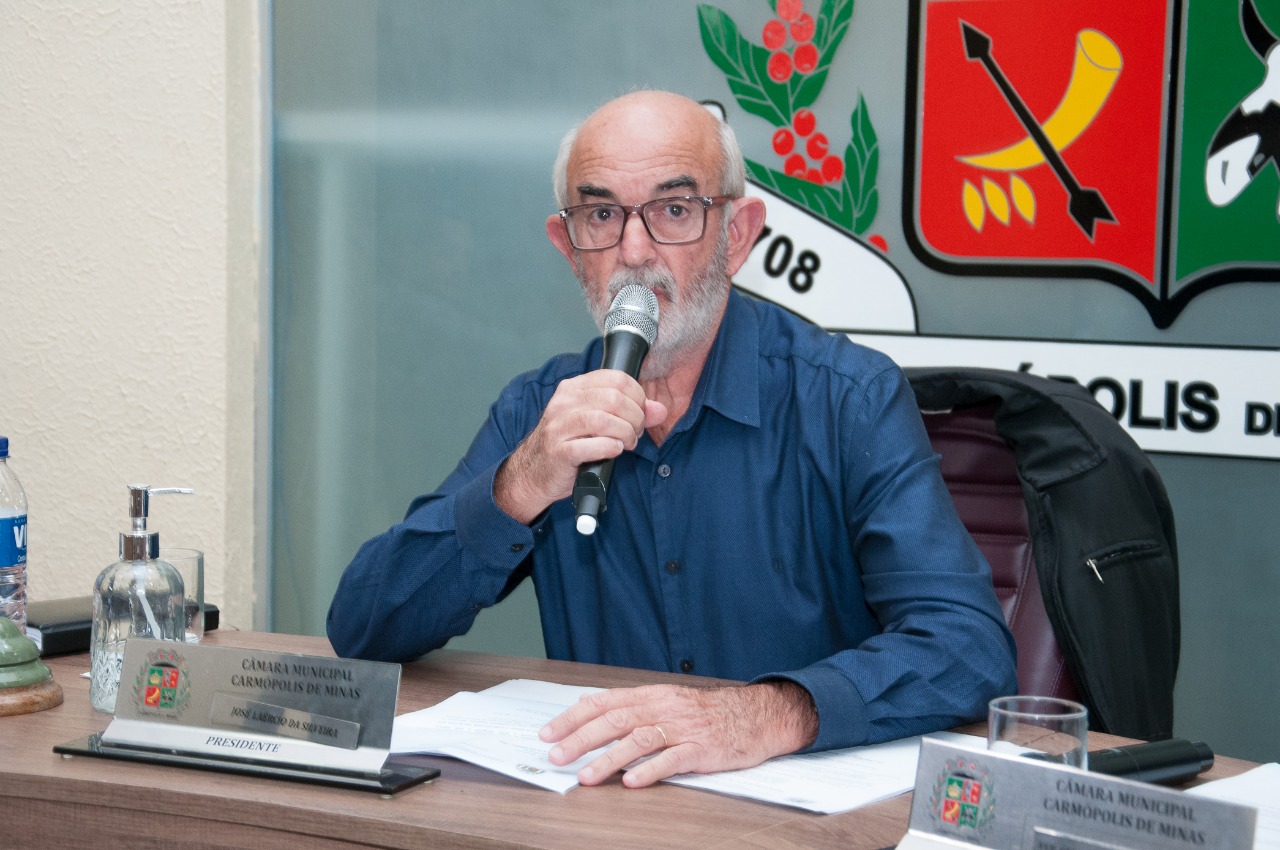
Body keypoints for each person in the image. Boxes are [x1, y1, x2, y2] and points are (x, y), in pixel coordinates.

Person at [328, 90, 1017, 788]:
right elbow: (365, 627)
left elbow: (968, 647)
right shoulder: (541, 410)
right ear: (569, 248)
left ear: (737, 235)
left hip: (793, 814)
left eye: (674, 211)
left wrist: (765, 714)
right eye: (602, 216)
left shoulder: (847, 397)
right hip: (608, 810)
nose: (634, 251)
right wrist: (521, 483)